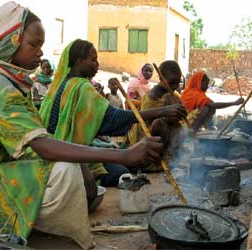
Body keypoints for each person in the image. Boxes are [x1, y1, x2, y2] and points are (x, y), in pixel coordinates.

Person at [0, 3, 165, 249]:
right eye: (33, 44)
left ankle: (42, 232)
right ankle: (49, 237)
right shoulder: (0, 86)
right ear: (9, 42)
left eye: (41, 45)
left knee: (77, 168)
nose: (40, 53)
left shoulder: (9, 81)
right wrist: (124, 154)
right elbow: (43, 146)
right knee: (66, 172)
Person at [39, 39, 187, 180]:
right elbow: (113, 119)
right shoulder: (81, 87)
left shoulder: (64, 83)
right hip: (65, 151)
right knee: (120, 172)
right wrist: (162, 111)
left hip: (57, 145)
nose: (97, 64)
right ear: (79, 61)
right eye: (93, 60)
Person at [126, 60, 184, 171]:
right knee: (159, 124)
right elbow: (147, 126)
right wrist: (166, 116)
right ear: (161, 79)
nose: (175, 86)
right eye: (172, 83)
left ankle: (169, 156)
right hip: (145, 136)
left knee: (181, 129)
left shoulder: (174, 95)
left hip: (163, 139)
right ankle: (150, 161)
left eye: (178, 83)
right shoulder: (151, 97)